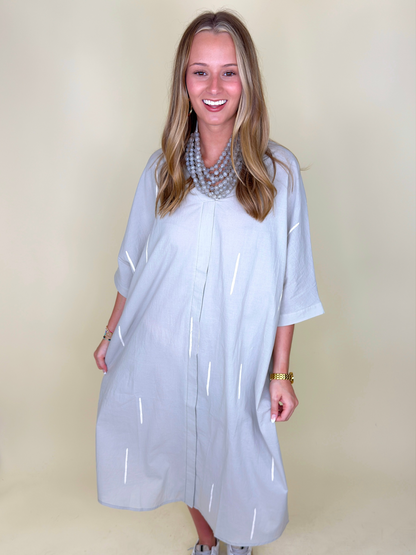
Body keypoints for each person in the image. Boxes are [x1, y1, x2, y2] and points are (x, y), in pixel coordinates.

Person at [93, 9, 324, 555]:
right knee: (179, 445)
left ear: (248, 80)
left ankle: (238, 540)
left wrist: (281, 372)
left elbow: (291, 284)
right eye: (201, 72)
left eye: (229, 72)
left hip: (237, 350)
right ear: (184, 80)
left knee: (233, 447)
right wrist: (110, 334)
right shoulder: (162, 170)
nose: (214, 88)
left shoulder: (279, 174)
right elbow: (134, 263)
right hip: (165, 344)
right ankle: (207, 540)